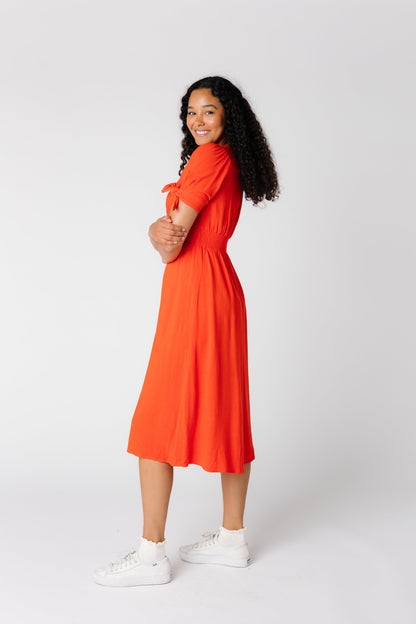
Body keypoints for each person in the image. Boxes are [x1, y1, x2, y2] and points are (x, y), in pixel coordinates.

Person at [93, 76, 280, 587]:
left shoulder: (207, 159)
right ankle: (231, 538)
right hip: (218, 288)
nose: (197, 121)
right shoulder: (225, 161)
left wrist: (156, 231)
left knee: (157, 413)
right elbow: (177, 229)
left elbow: (174, 243)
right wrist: (160, 227)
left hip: (196, 288)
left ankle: (151, 555)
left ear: (227, 119)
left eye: (208, 112)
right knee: (225, 404)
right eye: (191, 112)